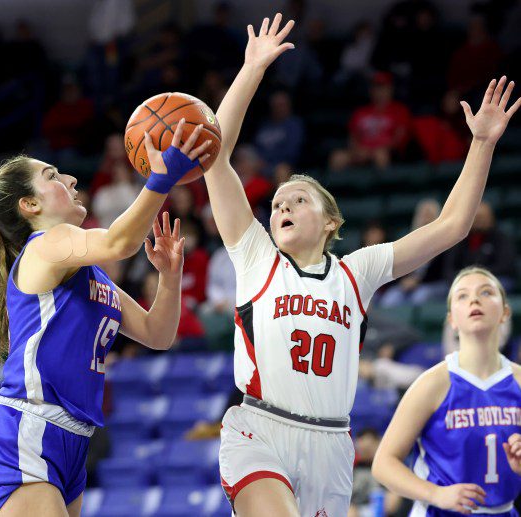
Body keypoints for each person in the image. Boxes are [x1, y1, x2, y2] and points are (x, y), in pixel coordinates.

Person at [203, 12, 520, 516]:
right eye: (277, 203)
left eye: (297, 199)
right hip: (259, 428)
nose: (281, 207)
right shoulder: (257, 257)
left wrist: (481, 144)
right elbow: (214, 156)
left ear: (331, 222)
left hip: (332, 442)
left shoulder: (357, 271)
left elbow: (453, 225)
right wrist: (252, 70)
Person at [0, 119, 212, 516]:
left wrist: (170, 276)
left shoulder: (88, 275)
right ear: (30, 205)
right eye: (52, 176)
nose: (72, 178)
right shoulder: (46, 245)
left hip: (73, 439)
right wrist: (160, 181)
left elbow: (157, 334)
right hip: (27, 431)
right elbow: (119, 241)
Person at [372, 267, 521, 515]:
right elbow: (383, 464)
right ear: (452, 319)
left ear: (505, 312)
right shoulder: (433, 383)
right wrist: (435, 493)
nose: (474, 299)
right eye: (463, 295)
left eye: (486, 292)